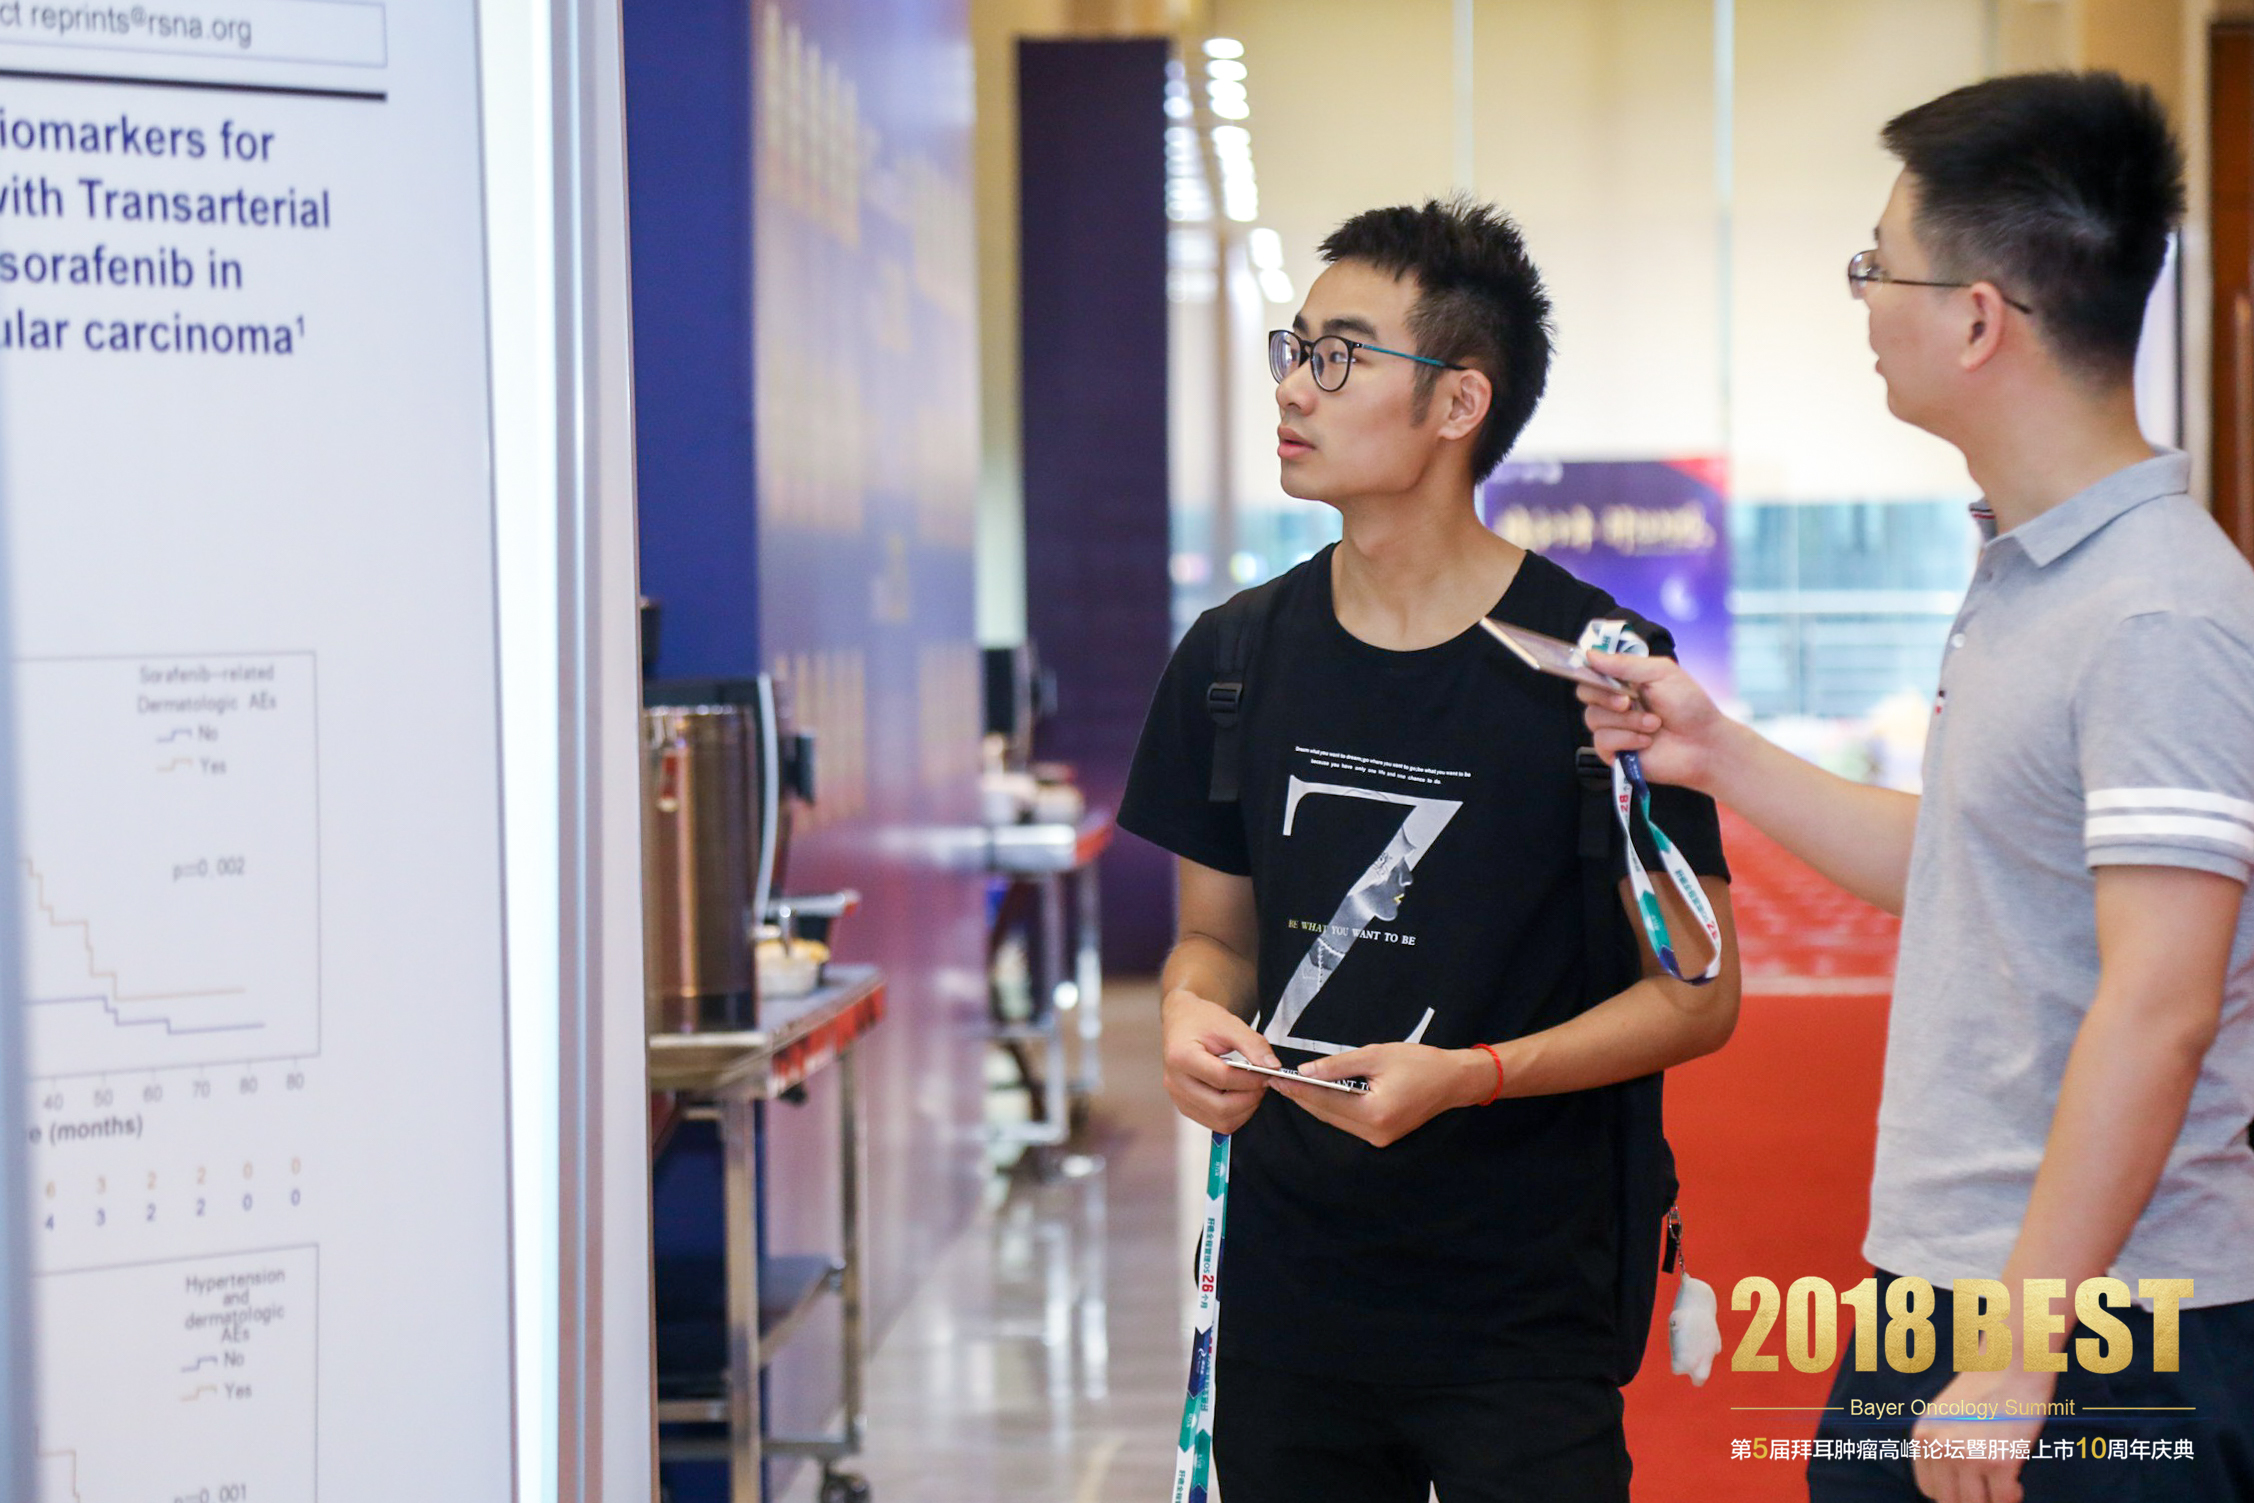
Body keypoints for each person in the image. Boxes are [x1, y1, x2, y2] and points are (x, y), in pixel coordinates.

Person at [1580, 72, 2254, 1503]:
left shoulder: (2156, 610)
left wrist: (2019, 1352)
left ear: (1977, 318)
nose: (1863, 304)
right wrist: (1714, 752)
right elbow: (1970, 862)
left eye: (1875, 267)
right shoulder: (2032, 572)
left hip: (2106, 1318)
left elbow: (2162, 1000)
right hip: (1960, 1281)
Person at [1118, 198, 1743, 1503]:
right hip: (1288, 1295)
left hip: (1522, 1309)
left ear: (1458, 402)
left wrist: (1472, 1076)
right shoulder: (1232, 660)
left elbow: (1697, 992)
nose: (1294, 385)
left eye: (1340, 355)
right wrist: (1185, 1014)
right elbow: (1217, 939)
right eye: (1296, 348)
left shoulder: (1599, 669)